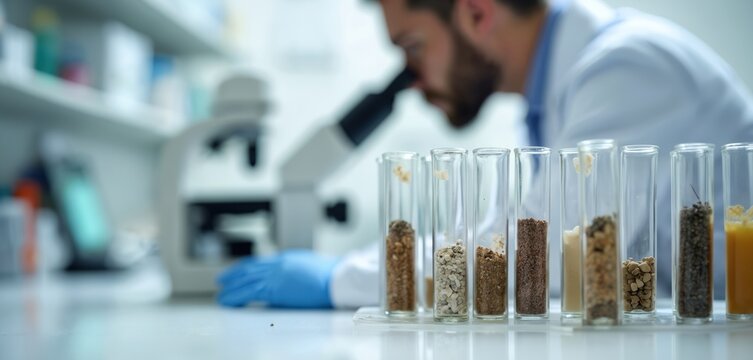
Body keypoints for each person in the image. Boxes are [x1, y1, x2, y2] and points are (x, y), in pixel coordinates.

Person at [216, 0, 753, 308]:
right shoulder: (561, 96)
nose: (412, 81)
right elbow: (518, 234)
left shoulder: (630, 66)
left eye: (413, 48)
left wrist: (341, 279)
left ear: (475, 12)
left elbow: (535, 265)